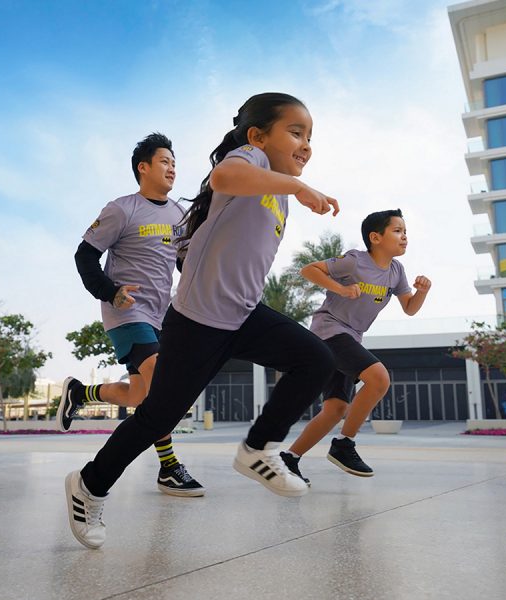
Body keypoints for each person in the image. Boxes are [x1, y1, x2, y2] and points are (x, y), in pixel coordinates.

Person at [65, 92, 340, 549]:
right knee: (156, 416)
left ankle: (258, 449)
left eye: (310, 137)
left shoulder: (276, 192)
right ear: (257, 136)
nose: (306, 144)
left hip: (242, 314)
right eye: (295, 132)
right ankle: (89, 486)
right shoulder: (249, 159)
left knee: (316, 358)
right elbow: (225, 174)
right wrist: (296, 186)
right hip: (198, 320)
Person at [59, 132, 205, 498]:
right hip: (127, 312)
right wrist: (111, 292)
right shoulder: (122, 209)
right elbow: (85, 256)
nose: (172, 168)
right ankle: (169, 467)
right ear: (143, 167)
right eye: (164, 161)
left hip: (162, 315)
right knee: (162, 382)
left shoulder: (178, 215)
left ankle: (81, 392)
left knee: (141, 394)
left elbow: (185, 263)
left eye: (174, 162)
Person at [279, 209, 431, 484]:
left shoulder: (396, 272)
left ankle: (289, 459)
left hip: (351, 337)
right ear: (375, 237)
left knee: (336, 409)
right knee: (379, 378)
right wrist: (340, 289)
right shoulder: (354, 261)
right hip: (329, 331)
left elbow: (409, 308)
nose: (404, 237)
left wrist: (421, 292)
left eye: (405, 231)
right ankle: (344, 445)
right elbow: (309, 269)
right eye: (397, 230)